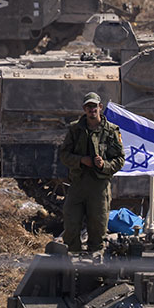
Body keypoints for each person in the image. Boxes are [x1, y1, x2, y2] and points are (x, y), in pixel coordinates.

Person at [58, 92, 125, 253]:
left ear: (100, 107)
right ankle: (72, 260)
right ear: (84, 109)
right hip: (78, 185)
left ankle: (95, 263)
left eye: (94, 106)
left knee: (98, 228)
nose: (92, 110)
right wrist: (81, 160)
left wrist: (104, 165)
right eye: (88, 107)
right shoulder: (75, 130)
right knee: (71, 225)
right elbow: (64, 155)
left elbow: (120, 159)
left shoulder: (111, 131)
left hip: (99, 187)